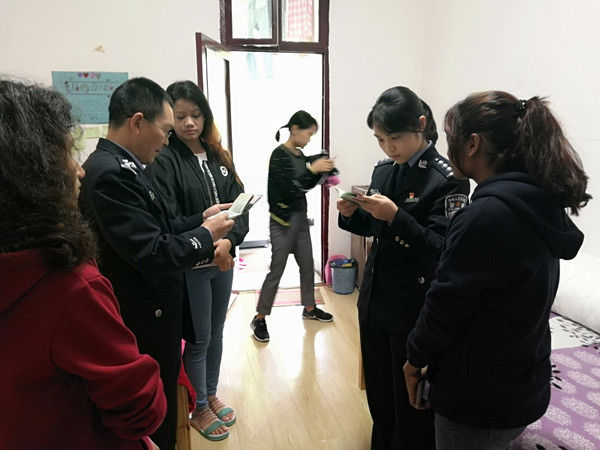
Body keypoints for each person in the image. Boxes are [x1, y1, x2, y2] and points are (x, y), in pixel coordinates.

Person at [404, 91, 590, 450]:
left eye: (451, 139)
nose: (446, 150)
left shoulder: (485, 216)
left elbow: (445, 305)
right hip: (523, 383)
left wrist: (414, 358)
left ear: (473, 143)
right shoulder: (536, 202)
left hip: (480, 399)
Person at [0, 78, 166, 450]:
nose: (79, 170)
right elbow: (140, 408)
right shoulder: (67, 286)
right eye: (67, 154)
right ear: (32, 173)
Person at [79, 77, 234, 450]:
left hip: (157, 312)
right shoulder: (111, 174)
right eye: (166, 128)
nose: (168, 139)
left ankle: (205, 399)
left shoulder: (130, 166)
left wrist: (200, 219)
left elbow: (160, 227)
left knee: (207, 340)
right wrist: (206, 235)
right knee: (155, 420)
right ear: (137, 122)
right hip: (143, 316)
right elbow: (154, 252)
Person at [337, 86, 470, 450]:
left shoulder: (448, 179)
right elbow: (375, 229)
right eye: (380, 140)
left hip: (412, 305)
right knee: (379, 393)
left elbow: (442, 248)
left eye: (394, 138)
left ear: (421, 125)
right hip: (375, 298)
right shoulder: (384, 171)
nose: (388, 148)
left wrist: (396, 217)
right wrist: (351, 215)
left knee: (409, 402)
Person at [147, 80, 248, 441]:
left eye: (196, 115)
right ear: (170, 119)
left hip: (222, 262)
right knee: (199, 339)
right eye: (180, 116)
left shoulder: (219, 154)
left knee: (217, 334)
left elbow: (240, 206)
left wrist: (229, 242)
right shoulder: (165, 159)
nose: (189, 123)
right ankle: (198, 405)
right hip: (192, 266)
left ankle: (210, 394)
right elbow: (169, 221)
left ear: (205, 115)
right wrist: (209, 239)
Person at [250, 110, 335, 342]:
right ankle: (259, 317)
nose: (309, 139)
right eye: (308, 134)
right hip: (282, 222)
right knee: (277, 270)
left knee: (307, 265)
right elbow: (291, 186)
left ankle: (309, 308)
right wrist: (313, 170)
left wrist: (324, 170)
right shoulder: (279, 155)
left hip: (300, 220)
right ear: (295, 129)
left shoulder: (300, 155)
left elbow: (306, 182)